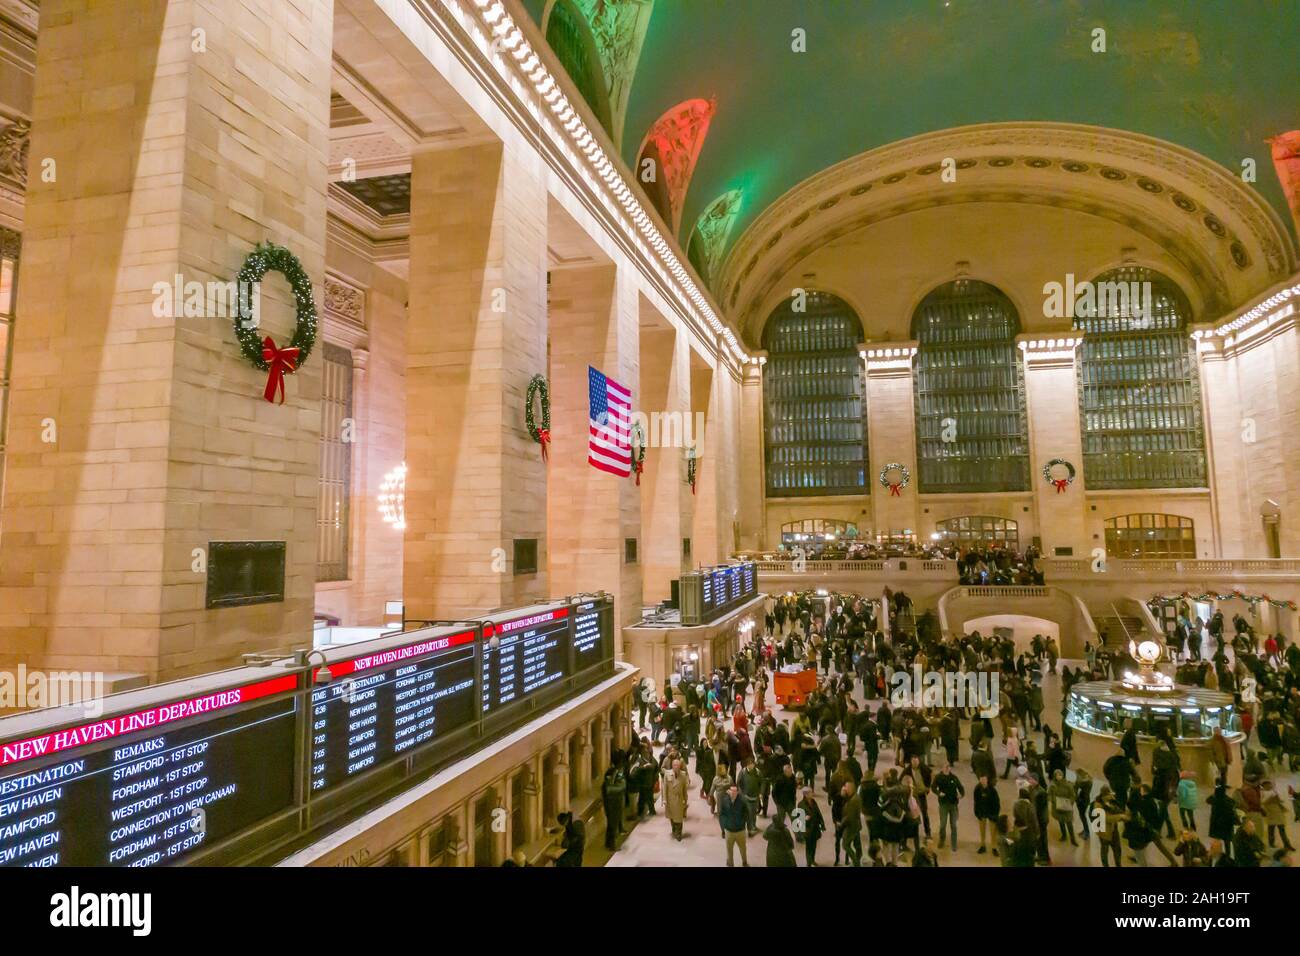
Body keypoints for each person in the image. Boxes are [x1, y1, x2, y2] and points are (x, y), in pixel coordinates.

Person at [932, 762, 965, 851]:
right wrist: (939, 793)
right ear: (942, 768)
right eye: (945, 767)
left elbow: (961, 788)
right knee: (943, 824)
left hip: (953, 804)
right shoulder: (938, 777)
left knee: (953, 825)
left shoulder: (954, 778)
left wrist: (961, 795)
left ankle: (954, 844)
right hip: (943, 804)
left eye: (948, 767)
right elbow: (933, 787)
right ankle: (942, 840)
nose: (947, 768)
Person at [718, 784, 750, 866]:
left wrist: (743, 822)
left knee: (743, 848)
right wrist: (724, 825)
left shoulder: (742, 801)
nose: (733, 793)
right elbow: (721, 814)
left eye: (735, 791)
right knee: (729, 850)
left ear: (738, 792)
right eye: (732, 791)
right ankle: (731, 864)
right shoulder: (724, 800)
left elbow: (746, 813)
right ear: (728, 791)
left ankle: (744, 862)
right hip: (729, 831)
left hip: (740, 830)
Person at [661, 758, 690, 842]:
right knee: (672, 816)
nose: (676, 767)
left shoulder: (683, 775)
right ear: (672, 766)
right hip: (670, 799)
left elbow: (684, 789)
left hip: (679, 799)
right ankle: (674, 829)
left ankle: (679, 833)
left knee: (679, 817)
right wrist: (664, 799)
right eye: (674, 765)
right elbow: (665, 788)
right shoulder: (667, 774)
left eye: (678, 765)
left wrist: (685, 799)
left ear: (680, 766)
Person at [796, 787, 825, 867]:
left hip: (815, 827)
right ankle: (808, 862)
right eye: (810, 793)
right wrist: (804, 818)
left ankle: (812, 860)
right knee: (809, 846)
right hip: (807, 829)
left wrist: (822, 824)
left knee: (814, 845)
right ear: (805, 794)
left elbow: (818, 812)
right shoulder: (801, 804)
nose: (812, 794)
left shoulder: (813, 802)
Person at [600, 764, 627, 850]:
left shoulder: (611, 783)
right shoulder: (608, 786)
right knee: (612, 826)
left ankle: (608, 843)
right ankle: (612, 845)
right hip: (612, 807)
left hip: (614, 806)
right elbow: (621, 787)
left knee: (611, 825)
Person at [973, 774, 1000, 855]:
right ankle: (982, 845)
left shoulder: (992, 790)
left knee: (993, 831)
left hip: (992, 812)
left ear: (987, 780)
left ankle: (994, 847)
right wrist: (977, 813)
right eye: (981, 779)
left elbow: (996, 802)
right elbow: (976, 801)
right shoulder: (977, 789)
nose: (983, 781)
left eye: (984, 779)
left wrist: (995, 814)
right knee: (982, 830)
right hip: (982, 812)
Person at [840, 779, 864, 866]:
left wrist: (841, 825)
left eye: (846, 787)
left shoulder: (853, 801)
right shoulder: (855, 797)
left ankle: (856, 862)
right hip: (856, 825)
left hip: (851, 826)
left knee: (845, 845)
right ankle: (858, 857)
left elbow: (848, 816)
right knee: (857, 844)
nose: (844, 788)